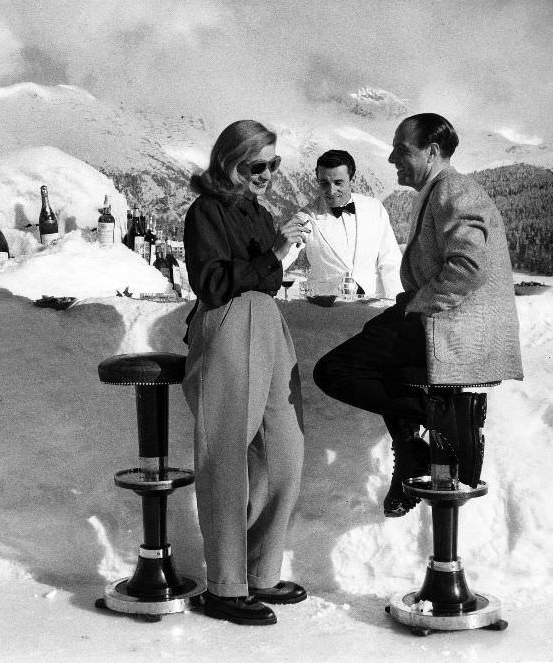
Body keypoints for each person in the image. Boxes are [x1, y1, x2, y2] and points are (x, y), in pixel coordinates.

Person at [313, 113, 523, 517]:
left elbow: (468, 267)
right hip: (436, 319)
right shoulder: (438, 191)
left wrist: (416, 304)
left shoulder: (453, 191)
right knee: (379, 340)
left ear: (432, 151)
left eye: (401, 149)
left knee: (336, 371)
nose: (391, 157)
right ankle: (412, 448)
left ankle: (444, 417)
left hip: (450, 327)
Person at [182, 120, 310, 626]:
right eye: (257, 165)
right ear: (229, 162)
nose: (267, 175)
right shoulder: (206, 211)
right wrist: (275, 255)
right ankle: (225, 587)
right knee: (226, 452)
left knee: (283, 449)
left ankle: (260, 571)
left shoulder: (257, 213)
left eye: (273, 165)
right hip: (230, 324)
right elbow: (211, 282)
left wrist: (283, 251)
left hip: (266, 323)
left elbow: (265, 276)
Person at [283, 149, 401, 301]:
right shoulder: (306, 216)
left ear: (352, 178)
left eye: (338, 183)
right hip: (326, 308)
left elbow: (390, 261)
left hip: (372, 304)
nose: (331, 191)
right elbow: (282, 256)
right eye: (324, 183)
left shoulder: (374, 208)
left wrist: (395, 304)